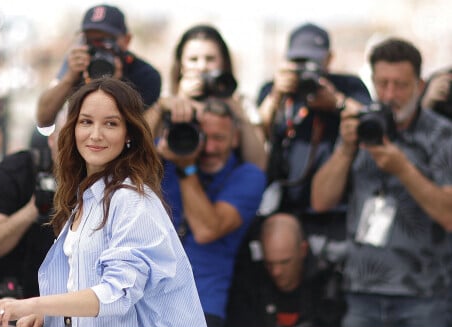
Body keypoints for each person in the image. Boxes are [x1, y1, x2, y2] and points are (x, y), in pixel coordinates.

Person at [0, 77, 207, 327]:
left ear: (129, 134)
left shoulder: (132, 199)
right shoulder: (89, 195)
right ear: (72, 129)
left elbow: (117, 293)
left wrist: (29, 305)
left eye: (111, 123)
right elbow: (87, 284)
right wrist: (46, 313)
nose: (95, 134)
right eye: (86, 122)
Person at [311, 37, 452, 327]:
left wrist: (404, 170)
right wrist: (345, 150)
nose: (390, 94)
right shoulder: (361, 126)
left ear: (420, 86)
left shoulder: (441, 135)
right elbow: (320, 201)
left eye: (400, 85)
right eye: (383, 83)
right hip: (361, 290)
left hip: (424, 294)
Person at [255, 22, 371, 250]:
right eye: (298, 62)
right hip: (283, 210)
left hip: (335, 213)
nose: (305, 69)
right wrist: (277, 95)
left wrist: (337, 102)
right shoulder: (274, 89)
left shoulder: (347, 85)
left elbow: (370, 120)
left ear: (329, 59)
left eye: (313, 62)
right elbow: (256, 129)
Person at [158, 97, 266, 327]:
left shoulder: (248, 176)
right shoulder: (168, 157)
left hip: (203, 303)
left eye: (219, 138)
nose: (209, 148)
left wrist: (187, 168)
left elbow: (207, 230)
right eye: (203, 137)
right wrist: (159, 108)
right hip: (150, 299)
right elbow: (123, 150)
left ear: (235, 139)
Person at [146, 24, 267, 170]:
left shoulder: (241, 102)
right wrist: (180, 100)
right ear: (181, 65)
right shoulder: (166, 100)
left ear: (223, 63)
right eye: (193, 59)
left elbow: (258, 164)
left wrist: (234, 109)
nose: (202, 67)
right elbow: (147, 149)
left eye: (210, 59)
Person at [36, 4, 161, 128]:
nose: (97, 46)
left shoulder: (145, 75)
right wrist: (69, 79)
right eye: (90, 41)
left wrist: (115, 86)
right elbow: (43, 120)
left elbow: (133, 134)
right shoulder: (79, 66)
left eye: (106, 41)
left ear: (126, 40)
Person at [0, 126, 59, 307]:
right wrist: (34, 207)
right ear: (51, 140)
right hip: (15, 295)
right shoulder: (16, 171)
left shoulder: (101, 180)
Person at [225, 213, 345, 327]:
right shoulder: (249, 286)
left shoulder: (325, 286)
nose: (276, 271)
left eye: (285, 262)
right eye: (269, 263)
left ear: (303, 249)